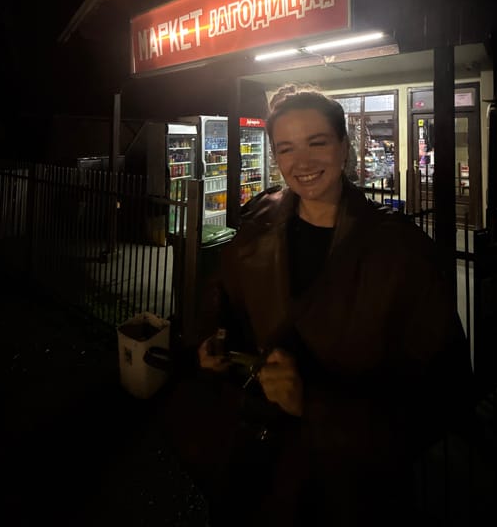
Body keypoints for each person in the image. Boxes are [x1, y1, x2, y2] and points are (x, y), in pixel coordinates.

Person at [196, 83, 472, 526]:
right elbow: (226, 307)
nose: (300, 163)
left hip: (352, 491)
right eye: (285, 149)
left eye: (316, 143)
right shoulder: (257, 226)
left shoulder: (399, 250)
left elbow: (445, 394)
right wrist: (215, 345)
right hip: (257, 469)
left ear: (343, 147)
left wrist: (315, 405)